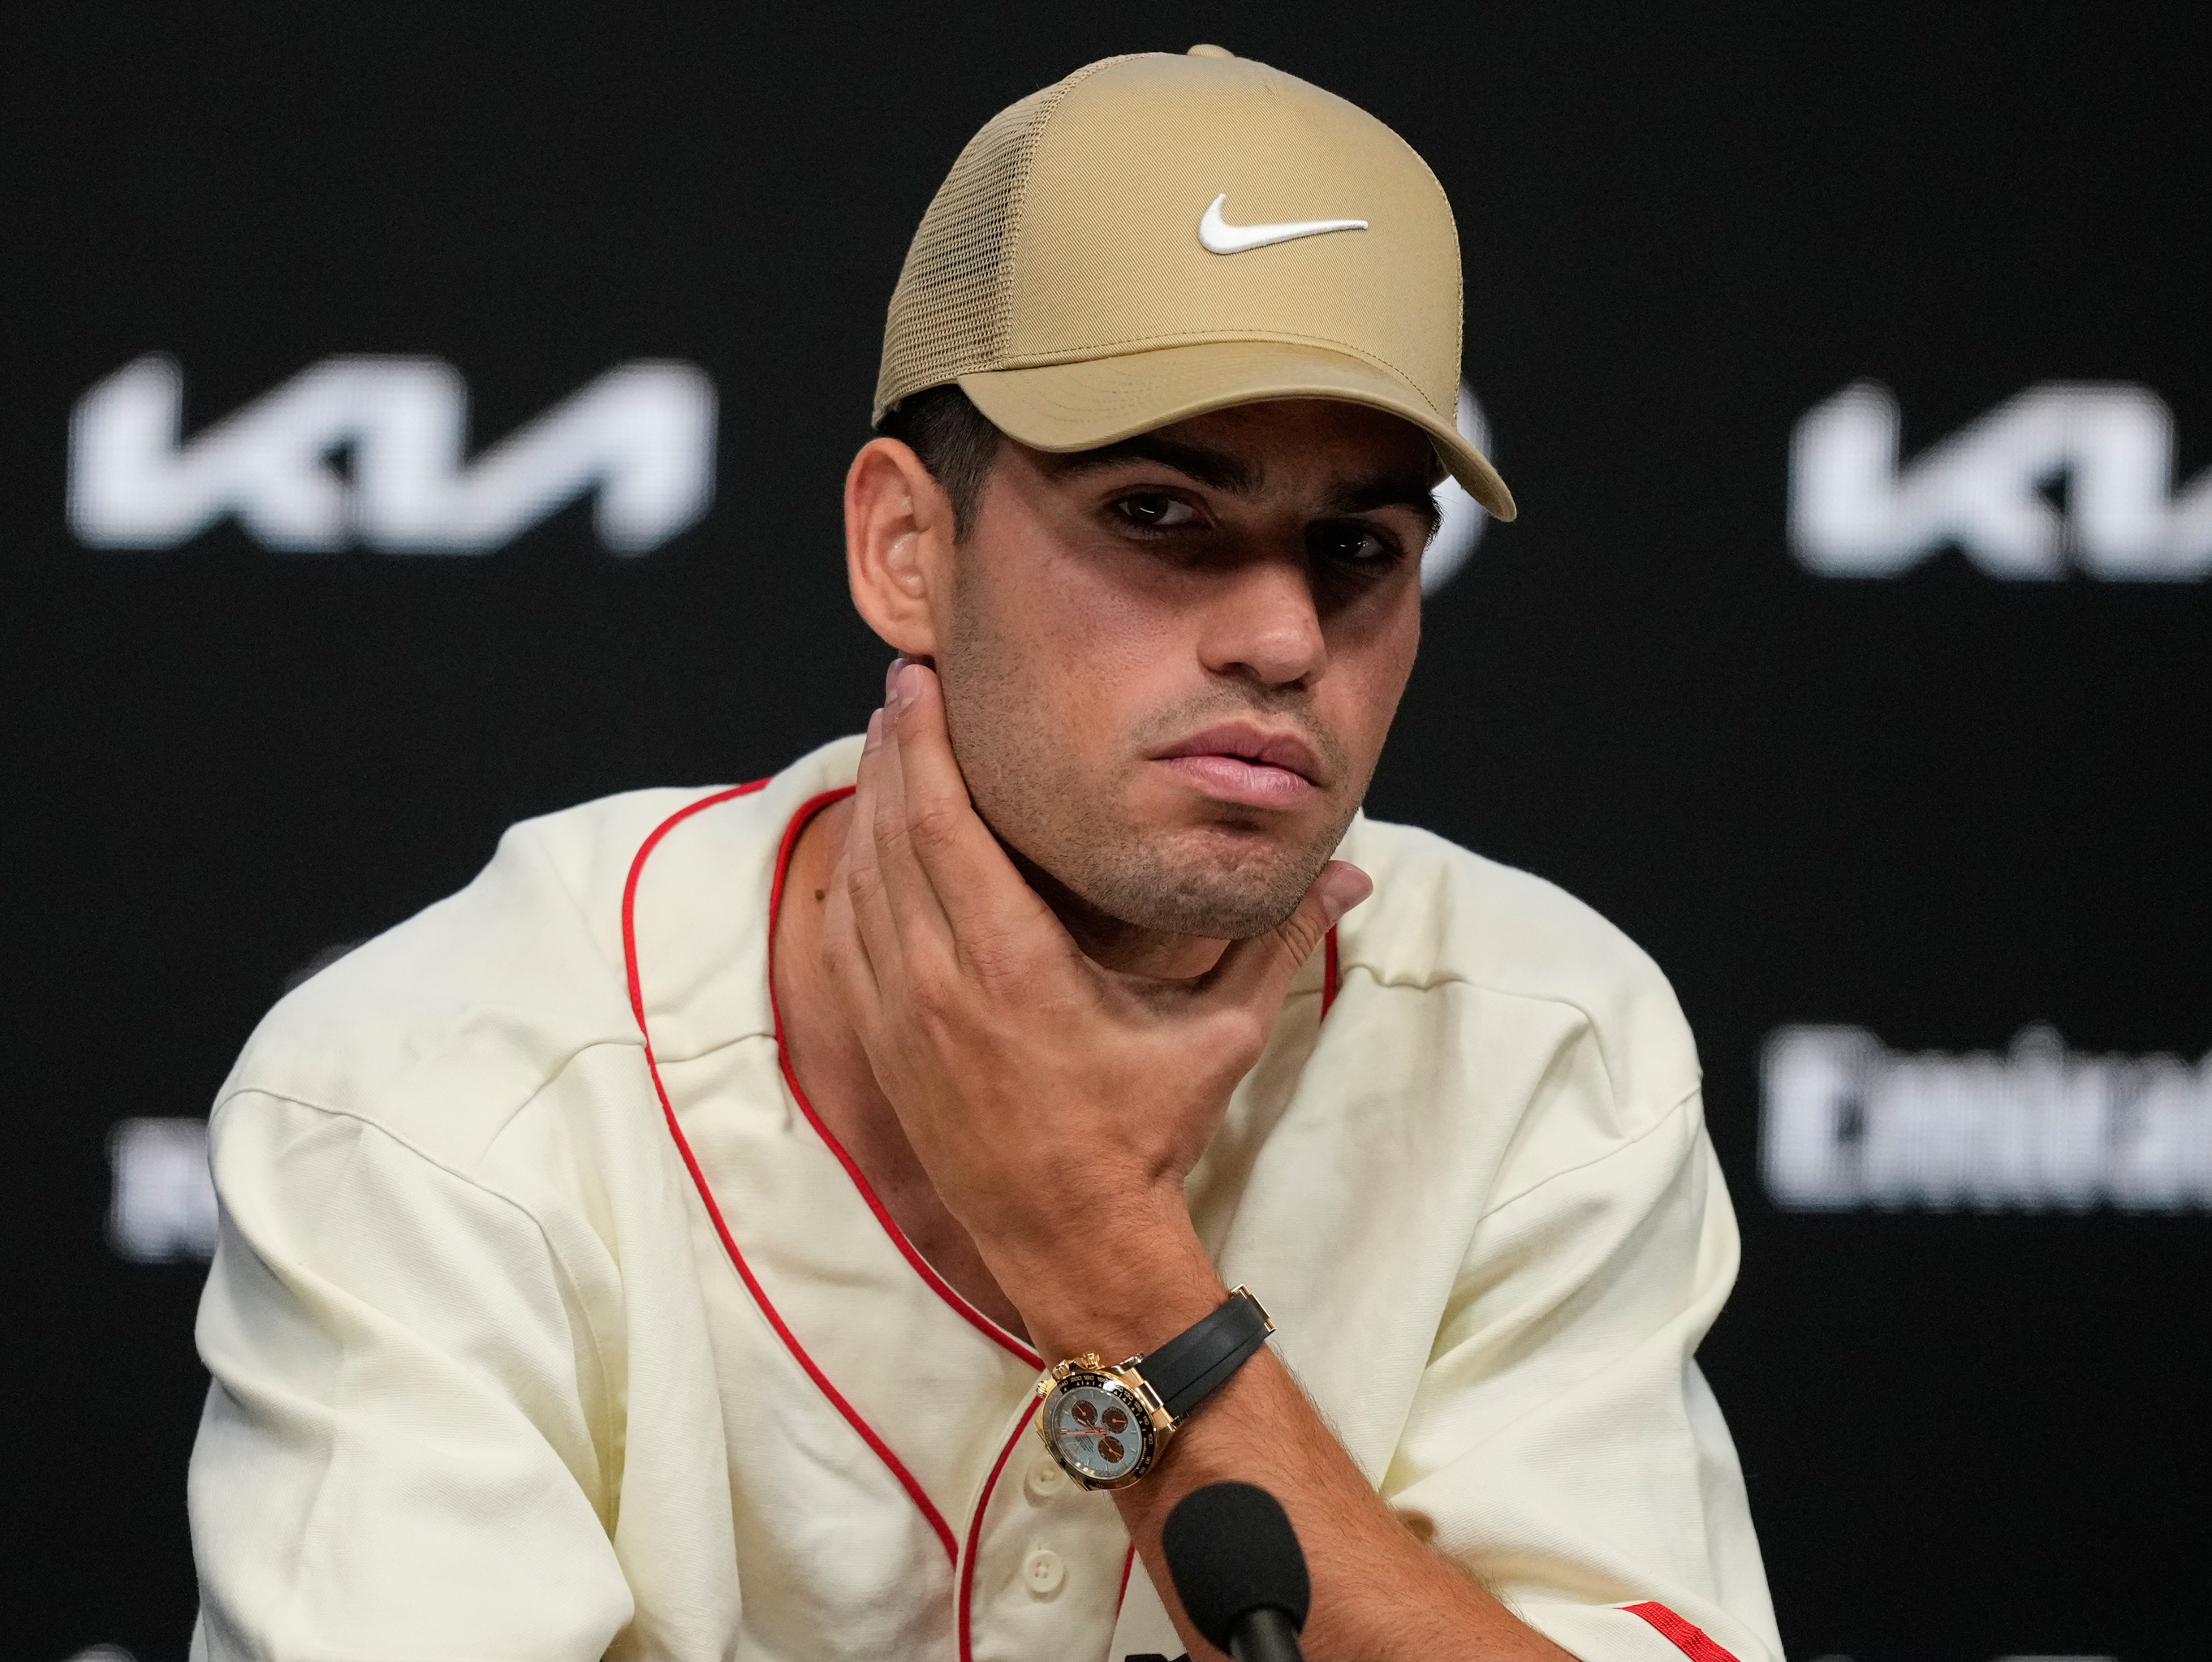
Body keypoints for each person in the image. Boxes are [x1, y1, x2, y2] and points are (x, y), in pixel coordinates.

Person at [188, 45, 1782, 1662]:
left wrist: (1103, 1254)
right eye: (1163, 515)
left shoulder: (1540, 1041)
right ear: (905, 544)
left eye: (1357, 546)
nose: (1289, 634)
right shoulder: (438, 1093)